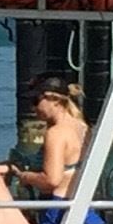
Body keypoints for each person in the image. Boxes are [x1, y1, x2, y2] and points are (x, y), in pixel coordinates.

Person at [15, 74, 87, 204]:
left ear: (54, 100)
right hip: (81, 204)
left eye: (36, 101)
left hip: (58, 207)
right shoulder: (83, 128)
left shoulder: (56, 133)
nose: (33, 108)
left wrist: (25, 177)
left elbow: (52, 180)